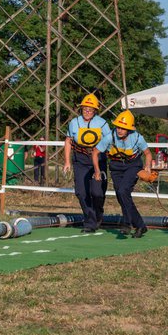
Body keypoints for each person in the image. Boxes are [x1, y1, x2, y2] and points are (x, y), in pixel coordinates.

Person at [93, 110, 152, 238]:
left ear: (129, 129)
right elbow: (95, 152)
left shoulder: (137, 138)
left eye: (123, 128)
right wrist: (97, 171)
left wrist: (147, 166)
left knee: (123, 191)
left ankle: (128, 224)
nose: (119, 130)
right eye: (118, 127)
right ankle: (140, 226)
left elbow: (147, 153)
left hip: (133, 165)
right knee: (121, 196)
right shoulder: (110, 136)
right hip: (116, 167)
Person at [63, 93, 110, 233]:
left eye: (90, 109)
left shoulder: (102, 123)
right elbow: (68, 141)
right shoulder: (74, 123)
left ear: (95, 110)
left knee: (97, 192)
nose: (87, 111)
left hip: (98, 159)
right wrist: (67, 162)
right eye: (85, 108)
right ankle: (90, 222)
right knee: (81, 192)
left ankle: (98, 213)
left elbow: (109, 142)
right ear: (81, 109)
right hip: (81, 159)